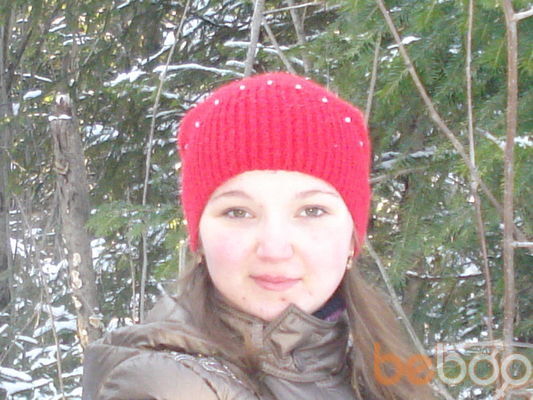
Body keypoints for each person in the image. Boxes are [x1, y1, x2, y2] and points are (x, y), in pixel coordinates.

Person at [82, 72, 434, 399]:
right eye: (238, 212)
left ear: (353, 237)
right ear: (199, 238)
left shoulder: (367, 365)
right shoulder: (167, 385)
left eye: (312, 211)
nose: (275, 249)